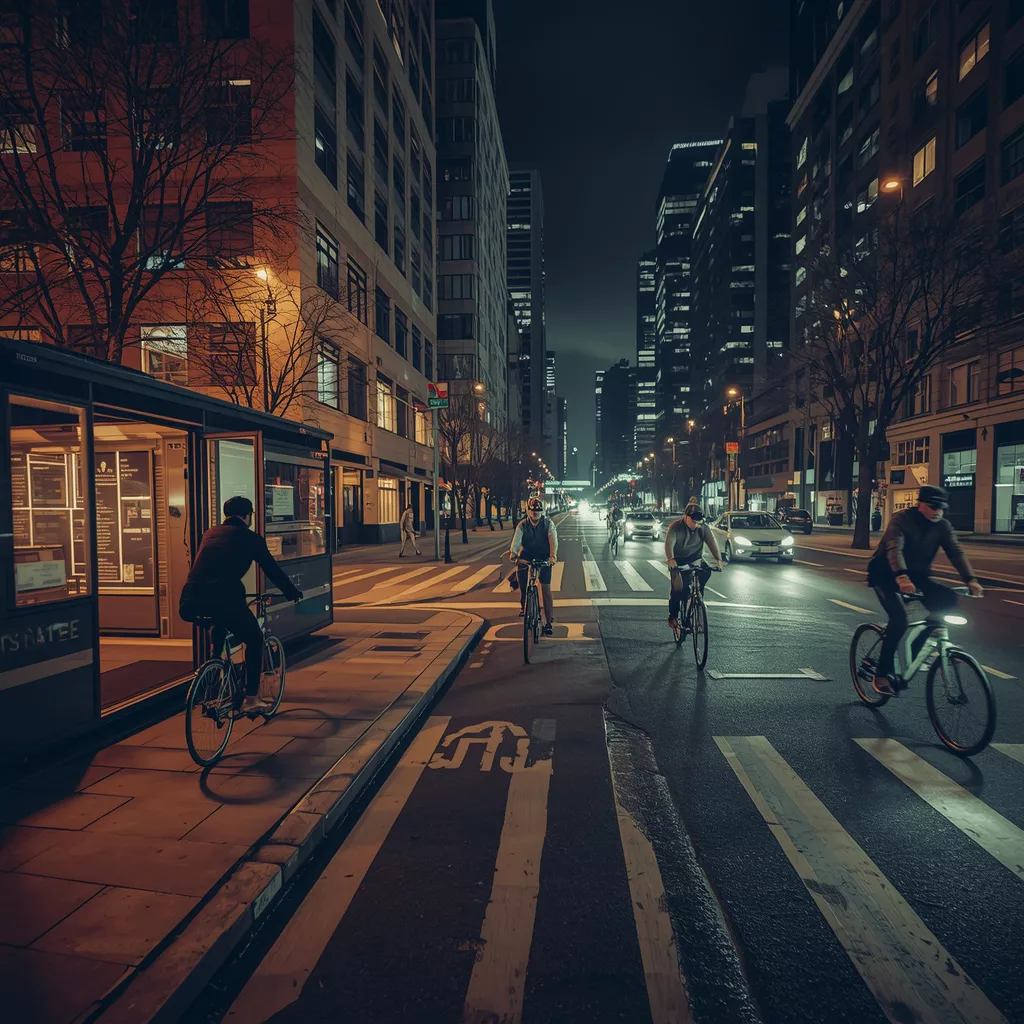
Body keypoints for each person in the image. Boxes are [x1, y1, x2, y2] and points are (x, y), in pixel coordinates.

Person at [179, 495, 303, 713]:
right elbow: (272, 570)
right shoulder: (251, 539)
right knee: (254, 639)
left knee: (220, 619)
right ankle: (251, 699)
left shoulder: (210, 533)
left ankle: (213, 664)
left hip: (190, 600)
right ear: (247, 516)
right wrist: (292, 592)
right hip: (225, 598)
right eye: (251, 514)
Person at [866, 484, 983, 696]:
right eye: (932, 507)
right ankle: (881, 674)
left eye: (941, 508)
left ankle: (911, 655)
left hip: (917, 577)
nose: (937, 512)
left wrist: (970, 579)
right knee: (899, 620)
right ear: (920, 504)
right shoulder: (901, 520)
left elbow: (955, 551)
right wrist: (901, 576)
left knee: (946, 598)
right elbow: (895, 548)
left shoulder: (942, 526)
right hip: (886, 574)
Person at [664, 503, 723, 632]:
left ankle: (697, 600)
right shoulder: (676, 527)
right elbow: (669, 543)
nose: (695, 523)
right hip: (678, 561)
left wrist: (718, 560)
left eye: (698, 521)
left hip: (696, 559)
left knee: (705, 573)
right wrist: (671, 559)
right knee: (678, 588)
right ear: (686, 516)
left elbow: (712, 542)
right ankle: (673, 616)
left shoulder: (703, 528)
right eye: (693, 520)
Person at [509, 496, 558, 635]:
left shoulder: (548, 524)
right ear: (528, 510)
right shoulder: (522, 525)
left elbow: (553, 539)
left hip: (544, 557)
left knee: (546, 590)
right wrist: (513, 554)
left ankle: (548, 623)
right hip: (526, 556)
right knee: (524, 586)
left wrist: (552, 557)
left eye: (538, 510)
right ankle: (525, 608)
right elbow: (516, 541)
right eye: (532, 510)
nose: (535, 513)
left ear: (542, 511)